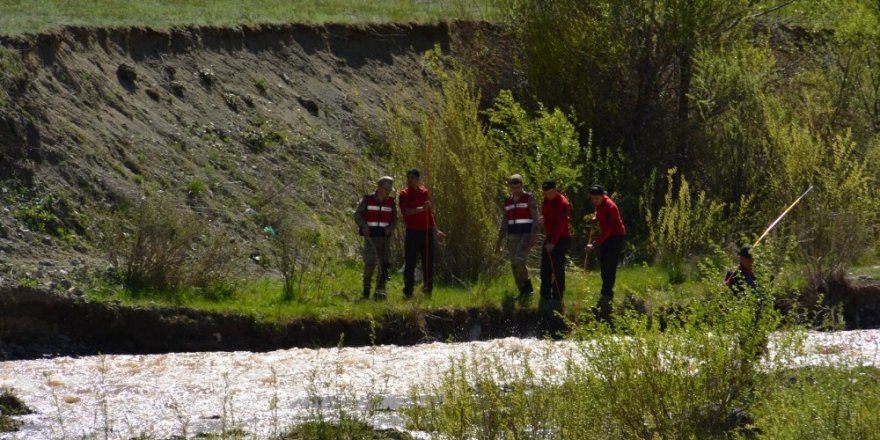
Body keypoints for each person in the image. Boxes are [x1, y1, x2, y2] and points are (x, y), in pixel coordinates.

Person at [399, 168, 445, 298]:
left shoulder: (425, 192)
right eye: (408, 177)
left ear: (418, 179)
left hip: (426, 232)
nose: (410, 179)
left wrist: (436, 230)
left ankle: (428, 290)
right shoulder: (404, 194)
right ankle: (408, 292)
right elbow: (407, 211)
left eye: (413, 177)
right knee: (410, 263)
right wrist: (422, 208)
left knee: (428, 263)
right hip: (413, 232)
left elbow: (429, 214)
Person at [586, 184, 626, 320]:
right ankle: (605, 292)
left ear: (603, 196)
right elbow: (598, 213)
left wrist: (594, 244)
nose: (595, 201)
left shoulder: (610, 207)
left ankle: (607, 295)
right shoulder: (599, 204)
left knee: (609, 266)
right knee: (603, 266)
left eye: (597, 198)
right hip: (606, 236)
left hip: (615, 236)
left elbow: (609, 230)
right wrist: (595, 218)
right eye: (593, 199)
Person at [354, 176, 397, 300]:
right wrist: (364, 226)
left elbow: (394, 220)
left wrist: (390, 228)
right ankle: (366, 290)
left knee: (384, 264)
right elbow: (357, 215)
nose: (388, 192)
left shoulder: (391, 202)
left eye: (389, 190)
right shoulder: (367, 199)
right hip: (371, 238)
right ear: (379, 188)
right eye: (385, 189)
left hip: (385, 238)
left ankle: (380, 291)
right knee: (370, 263)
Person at [495, 174, 539, 298]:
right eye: (513, 188)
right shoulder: (507, 200)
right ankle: (522, 291)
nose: (516, 190)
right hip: (512, 236)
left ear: (522, 186)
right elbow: (504, 222)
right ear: (510, 187)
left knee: (519, 260)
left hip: (526, 234)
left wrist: (533, 235)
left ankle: (528, 288)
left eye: (518, 187)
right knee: (514, 264)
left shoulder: (528, 198)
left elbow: (535, 219)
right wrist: (499, 241)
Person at [539, 180, 571, 302]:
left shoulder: (563, 203)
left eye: (551, 193)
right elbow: (545, 215)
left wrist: (553, 242)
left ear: (556, 189)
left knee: (557, 268)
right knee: (545, 267)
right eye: (546, 193)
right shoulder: (546, 200)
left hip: (561, 238)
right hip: (549, 236)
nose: (549, 195)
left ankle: (557, 296)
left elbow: (561, 224)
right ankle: (545, 295)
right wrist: (542, 220)